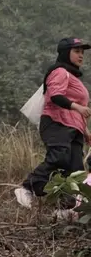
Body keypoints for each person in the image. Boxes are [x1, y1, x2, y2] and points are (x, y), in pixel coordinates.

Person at [15, 38, 91, 210]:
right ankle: (27, 188)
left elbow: (76, 111)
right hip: (57, 123)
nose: (81, 56)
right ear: (66, 52)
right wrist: (77, 106)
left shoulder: (73, 77)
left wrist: (85, 131)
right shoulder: (59, 71)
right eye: (76, 51)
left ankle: (65, 209)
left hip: (74, 128)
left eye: (82, 52)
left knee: (75, 171)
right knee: (59, 157)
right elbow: (55, 96)